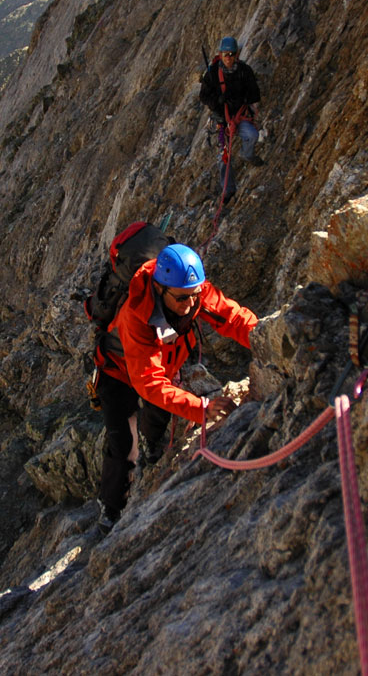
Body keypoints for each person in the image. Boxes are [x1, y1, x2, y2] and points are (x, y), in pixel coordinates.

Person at [93, 243, 257, 532]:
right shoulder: (136, 315)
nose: (191, 304)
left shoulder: (190, 290)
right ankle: (111, 511)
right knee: (123, 444)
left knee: (157, 415)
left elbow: (231, 317)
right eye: (183, 299)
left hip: (161, 367)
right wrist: (202, 409)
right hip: (117, 371)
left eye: (196, 296)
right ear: (158, 288)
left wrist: (262, 336)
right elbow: (149, 383)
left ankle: (154, 446)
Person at [199, 36, 263, 203]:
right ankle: (228, 190)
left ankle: (246, 154)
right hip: (223, 120)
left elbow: (254, 93)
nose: (228, 58)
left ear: (236, 55)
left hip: (239, 117)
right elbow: (204, 96)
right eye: (225, 54)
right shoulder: (212, 74)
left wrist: (242, 99)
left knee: (252, 136)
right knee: (224, 158)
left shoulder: (244, 71)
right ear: (220, 54)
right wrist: (217, 102)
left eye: (231, 54)